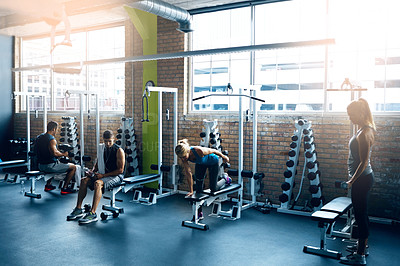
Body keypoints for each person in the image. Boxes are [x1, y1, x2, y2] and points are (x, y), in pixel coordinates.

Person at [340, 98, 376, 266]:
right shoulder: (364, 129)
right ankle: (363, 246)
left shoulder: (364, 133)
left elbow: (364, 161)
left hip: (361, 180)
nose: (350, 118)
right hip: (363, 179)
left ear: (360, 113)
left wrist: (351, 180)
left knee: (360, 216)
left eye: (351, 114)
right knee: (362, 214)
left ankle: (360, 255)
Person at [67, 130, 125, 225]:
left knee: (98, 183)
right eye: (105, 141)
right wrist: (92, 172)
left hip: (116, 176)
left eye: (109, 141)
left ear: (113, 139)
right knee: (84, 180)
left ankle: (92, 213)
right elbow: (98, 164)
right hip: (103, 174)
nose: (107, 143)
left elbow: (120, 170)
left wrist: (102, 176)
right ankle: (78, 209)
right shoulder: (102, 148)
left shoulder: (119, 151)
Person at [175, 139, 231, 219]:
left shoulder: (199, 151)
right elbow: (188, 174)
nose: (183, 159)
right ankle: (199, 213)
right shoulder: (183, 156)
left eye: (184, 157)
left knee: (213, 189)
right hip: (201, 164)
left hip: (213, 162)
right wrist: (191, 191)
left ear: (188, 152)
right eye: (181, 158)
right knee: (198, 190)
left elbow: (214, 150)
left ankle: (225, 179)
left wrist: (224, 156)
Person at [36, 121, 77, 194]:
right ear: (54, 129)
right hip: (49, 166)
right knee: (73, 167)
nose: (57, 131)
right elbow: (55, 153)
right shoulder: (51, 139)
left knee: (56, 161)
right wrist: (63, 154)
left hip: (40, 165)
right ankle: (65, 188)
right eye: (57, 130)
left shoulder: (39, 137)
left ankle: (48, 185)